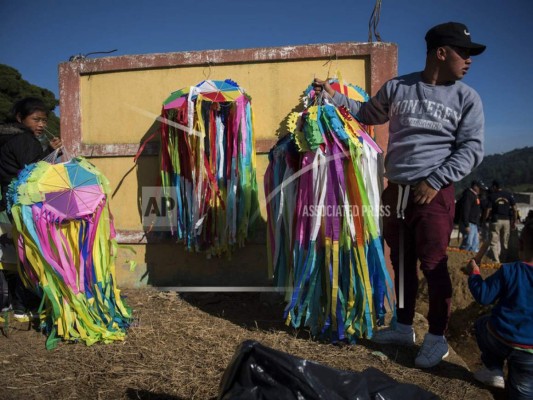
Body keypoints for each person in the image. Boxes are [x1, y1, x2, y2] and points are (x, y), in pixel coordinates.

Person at [314, 21, 485, 368]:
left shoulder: (467, 98)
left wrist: (436, 180)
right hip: (398, 192)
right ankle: (403, 326)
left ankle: (436, 339)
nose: (468, 61)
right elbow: (366, 114)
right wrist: (333, 96)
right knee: (401, 261)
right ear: (441, 53)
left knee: (434, 264)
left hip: (433, 194)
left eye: (470, 55)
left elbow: (471, 150)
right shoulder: (398, 88)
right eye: (463, 53)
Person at [0, 97, 62, 321]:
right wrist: (50, 152)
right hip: (25, 204)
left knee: (21, 252)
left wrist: (47, 149)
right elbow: (33, 174)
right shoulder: (25, 141)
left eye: (44, 120)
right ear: (20, 118)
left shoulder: (11, 138)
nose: (42, 125)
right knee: (32, 253)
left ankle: (18, 305)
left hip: (13, 203)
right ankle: (24, 305)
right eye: (36, 119)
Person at [466, 221, 533, 399]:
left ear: (520, 244)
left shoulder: (510, 270)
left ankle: (493, 368)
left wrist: (474, 274)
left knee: (481, 324)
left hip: (500, 338)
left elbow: (484, 296)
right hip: (530, 354)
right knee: (523, 392)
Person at [486, 180, 517, 263]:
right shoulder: (509, 195)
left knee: (494, 241)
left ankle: (496, 261)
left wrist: (485, 219)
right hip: (506, 220)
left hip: (495, 220)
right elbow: (514, 209)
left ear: (495, 187)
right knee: (505, 242)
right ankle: (503, 260)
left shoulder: (492, 196)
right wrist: (514, 221)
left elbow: (488, 209)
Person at [459, 181, 482, 252]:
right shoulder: (468, 195)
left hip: (474, 224)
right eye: (479, 188)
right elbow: (466, 210)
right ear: (475, 187)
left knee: (475, 245)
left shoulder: (475, 196)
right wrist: (466, 225)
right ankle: (461, 257)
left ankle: (472, 260)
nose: (480, 190)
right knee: (468, 243)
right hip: (469, 223)